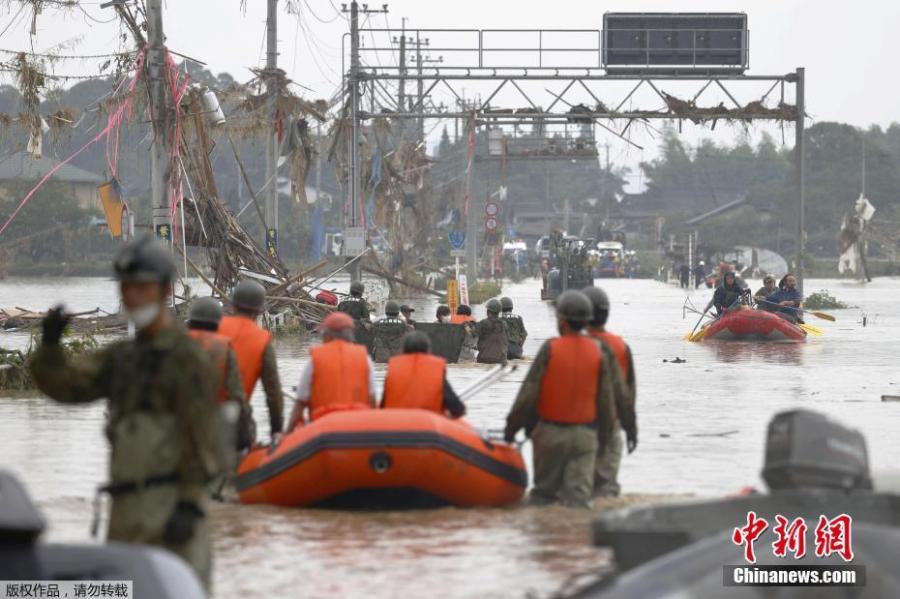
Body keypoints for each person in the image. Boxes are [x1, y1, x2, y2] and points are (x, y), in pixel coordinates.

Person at [29, 236, 222, 588]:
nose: (133, 296)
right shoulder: (122, 358)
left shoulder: (187, 359)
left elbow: (206, 438)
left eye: (142, 287)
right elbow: (68, 387)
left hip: (172, 507)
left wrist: (191, 503)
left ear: (165, 290)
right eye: (127, 287)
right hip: (124, 508)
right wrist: (51, 347)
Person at [503, 290, 620, 508]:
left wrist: (512, 429)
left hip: (551, 435)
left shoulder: (550, 349)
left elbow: (528, 395)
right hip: (586, 437)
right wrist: (603, 439)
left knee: (543, 497)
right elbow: (606, 401)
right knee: (578, 501)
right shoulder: (599, 351)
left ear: (562, 320)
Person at [582, 286, 638, 497]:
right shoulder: (621, 346)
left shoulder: (570, 345)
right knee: (605, 490)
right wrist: (631, 428)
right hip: (610, 424)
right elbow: (628, 393)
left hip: (577, 426)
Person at [218, 280, 284, 446]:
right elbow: (273, 392)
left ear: (233, 305)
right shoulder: (262, 339)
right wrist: (277, 429)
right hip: (233, 420)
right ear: (260, 310)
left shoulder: (213, 327)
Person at [186, 297, 252, 454]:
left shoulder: (172, 341)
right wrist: (244, 438)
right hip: (210, 427)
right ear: (218, 321)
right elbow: (237, 396)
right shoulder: (222, 346)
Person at [287, 312, 375, 428]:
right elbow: (372, 400)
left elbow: (300, 402)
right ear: (351, 334)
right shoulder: (365, 358)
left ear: (328, 334)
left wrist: (286, 435)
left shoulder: (315, 359)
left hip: (323, 429)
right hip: (356, 428)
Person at [381, 331, 465, 418]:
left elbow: (383, 407)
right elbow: (458, 409)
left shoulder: (393, 369)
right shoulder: (435, 369)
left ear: (404, 349)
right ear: (428, 350)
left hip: (396, 425)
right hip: (429, 426)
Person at [476, 299, 509, 365]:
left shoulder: (483, 323)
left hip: (484, 359)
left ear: (488, 311)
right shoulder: (504, 323)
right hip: (501, 360)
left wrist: (466, 325)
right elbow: (507, 340)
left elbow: (472, 333)